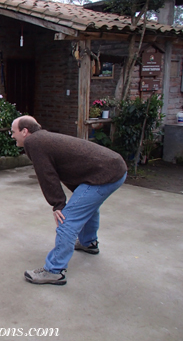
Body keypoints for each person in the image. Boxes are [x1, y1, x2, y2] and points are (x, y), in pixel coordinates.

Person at [11, 115, 127, 285]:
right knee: (87, 208)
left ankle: (54, 270)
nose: (12, 135)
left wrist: (58, 205)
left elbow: (46, 174)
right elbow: (65, 169)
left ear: (25, 131)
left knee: (67, 219)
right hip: (115, 168)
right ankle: (88, 243)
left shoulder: (33, 142)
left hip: (106, 173)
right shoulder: (44, 139)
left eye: (13, 132)